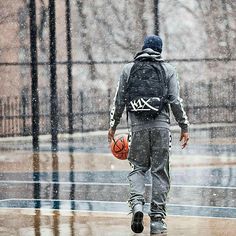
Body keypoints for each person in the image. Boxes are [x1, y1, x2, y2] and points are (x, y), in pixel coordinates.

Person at [108, 35, 189, 234]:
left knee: (138, 168)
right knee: (160, 171)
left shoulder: (128, 69)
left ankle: (137, 205)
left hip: (137, 129)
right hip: (161, 127)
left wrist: (113, 126)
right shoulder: (168, 70)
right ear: (159, 51)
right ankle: (157, 219)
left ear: (143, 48)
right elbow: (175, 101)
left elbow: (119, 101)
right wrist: (184, 126)